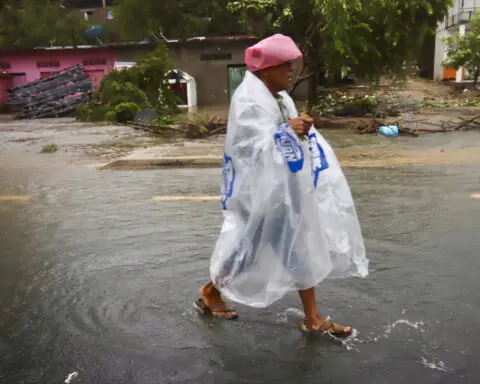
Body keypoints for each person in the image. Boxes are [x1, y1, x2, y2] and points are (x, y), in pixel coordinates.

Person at [194, 34, 368, 335]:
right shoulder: (248, 100)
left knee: (298, 247)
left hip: (283, 188)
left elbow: (280, 137)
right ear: (267, 69)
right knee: (246, 250)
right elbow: (249, 149)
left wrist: (297, 128)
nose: (291, 70)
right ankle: (211, 291)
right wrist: (287, 129)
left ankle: (312, 318)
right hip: (257, 192)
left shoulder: (279, 97)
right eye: (285, 65)